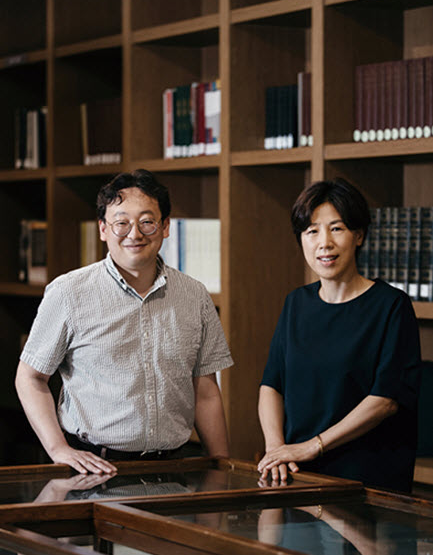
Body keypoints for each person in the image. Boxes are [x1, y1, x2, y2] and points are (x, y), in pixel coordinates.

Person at [16, 169, 233, 475]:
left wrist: (221, 468)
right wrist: (57, 448)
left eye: (147, 221)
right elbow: (29, 377)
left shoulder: (194, 295)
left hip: (175, 468)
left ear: (165, 226)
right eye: (121, 223)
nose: (135, 234)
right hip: (93, 468)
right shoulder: (69, 292)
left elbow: (205, 389)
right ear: (103, 228)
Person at [257, 178, 421, 492]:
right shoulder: (296, 303)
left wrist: (312, 445)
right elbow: (271, 385)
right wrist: (277, 449)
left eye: (337, 228)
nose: (324, 243)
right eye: (312, 231)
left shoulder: (391, 306)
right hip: (298, 476)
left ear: (359, 235)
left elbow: (385, 400)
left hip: (366, 483)